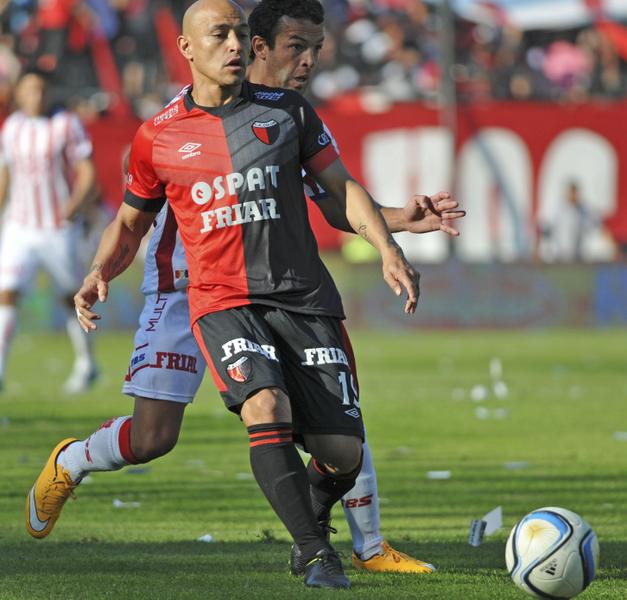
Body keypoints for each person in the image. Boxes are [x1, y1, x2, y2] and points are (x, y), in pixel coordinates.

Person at [25, 0, 462, 587]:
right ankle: (73, 459)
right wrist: (101, 270)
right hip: (185, 285)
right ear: (260, 47)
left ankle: (364, 543)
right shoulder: (168, 130)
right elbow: (131, 219)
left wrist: (396, 225)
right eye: (295, 48)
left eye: (315, 49)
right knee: (153, 436)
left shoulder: (287, 114)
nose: (307, 62)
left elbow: (334, 196)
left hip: (279, 287)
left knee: (334, 418)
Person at [0, 69, 98, 393]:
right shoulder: (12, 127)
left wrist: (73, 205)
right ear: (19, 93)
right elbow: (5, 175)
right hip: (19, 226)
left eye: (41, 89)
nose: (36, 96)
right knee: (7, 293)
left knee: (71, 298)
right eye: (30, 89)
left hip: (58, 228)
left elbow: (87, 170)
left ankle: (86, 364)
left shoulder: (66, 123)